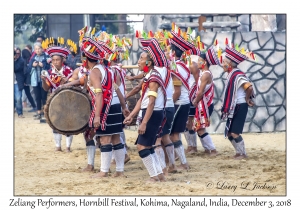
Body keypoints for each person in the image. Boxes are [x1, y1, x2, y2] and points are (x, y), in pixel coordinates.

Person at [78, 36, 129, 178]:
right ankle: (119, 171)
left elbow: (99, 95)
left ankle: (104, 171)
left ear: (85, 60)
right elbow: (117, 88)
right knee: (116, 139)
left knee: (105, 139)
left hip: (105, 108)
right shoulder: (109, 69)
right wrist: (123, 106)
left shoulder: (95, 72)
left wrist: (98, 116)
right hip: (115, 106)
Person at [124, 36, 167, 182]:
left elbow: (151, 103)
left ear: (148, 62)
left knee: (141, 147)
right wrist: (132, 115)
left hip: (153, 114)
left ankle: (154, 177)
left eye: (141, 59)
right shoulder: (149, 77)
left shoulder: (153, 78)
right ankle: (159, 174)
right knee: (148, 146)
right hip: (150, 113)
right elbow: (143, 100)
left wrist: (143, 123)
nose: (138, 62)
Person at [167, 25, 197, 170]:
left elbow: (177, 91)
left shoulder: (176, 68)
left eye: (169, 50)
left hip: (178, 102)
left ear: (173, 52)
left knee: (173, 135)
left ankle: (183, 163)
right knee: (175, 134)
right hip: (184, 103)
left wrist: (169, 105)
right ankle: (177, 163)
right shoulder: (185, 65)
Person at [220, 43, 255, 160]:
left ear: (230, 65)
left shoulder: (237, 75)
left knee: (235, 133)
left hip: (240, 106)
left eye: (224, 62)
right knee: (230, 133)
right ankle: (238, 152)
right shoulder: (232, 74)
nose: (222, 64)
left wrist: (246, 99)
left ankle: (243, 153)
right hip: (235, 106)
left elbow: (249, 87)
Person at [41, 37, 74, 152]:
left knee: (69, 122)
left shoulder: (69, 71)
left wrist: (67, 82)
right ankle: (58, 145)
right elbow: (46, 88)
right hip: (54, 99)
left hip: (68, 100)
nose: (55, 62)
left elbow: (75, 86)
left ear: (62, 60)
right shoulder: (49, 73)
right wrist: (44, 80)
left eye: (57, 60)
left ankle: (68, 146)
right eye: (53, 60)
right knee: (55, 121)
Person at [191, 45, 219, 156]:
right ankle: (208, 149)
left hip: (204, 105)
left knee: (200, 129)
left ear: (205, 62)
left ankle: (212, 149)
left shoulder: (205, 75)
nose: (197, 63)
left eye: (199, 61)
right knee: (199, 128)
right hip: (203, 104)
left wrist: (195, 101)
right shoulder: (203, 73)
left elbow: (200, 92)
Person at [28, 42, 50, 120]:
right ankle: (39, 113)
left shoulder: (46, 57)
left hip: (43, 80)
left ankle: (44, 112)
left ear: (42, 49)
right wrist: (32, 66)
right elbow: (28, 69)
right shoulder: (33, 58)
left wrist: (43, 65)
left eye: (39, 48)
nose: (37, 50)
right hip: (35, 80)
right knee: (37, 97)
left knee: (44, 97)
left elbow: (49, 68)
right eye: (36, 49)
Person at [22, 44, 37, 112]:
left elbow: (26, 70)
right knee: (29, 93)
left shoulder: (27, 59)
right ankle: (34, 106)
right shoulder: (30, 58)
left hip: (28, 79)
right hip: (29, 79)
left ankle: (34, 106)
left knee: (29, 93)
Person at [14, 47, 25, 118]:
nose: (17, 55)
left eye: (18, 53)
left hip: (17, 82)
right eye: (15, 53)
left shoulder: (21, 61)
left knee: (18, 98)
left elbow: (16, 68)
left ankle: (20, 113)